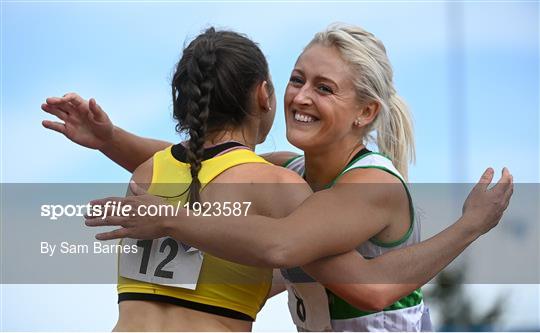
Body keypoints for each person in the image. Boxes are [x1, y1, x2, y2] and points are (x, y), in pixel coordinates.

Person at [44, 24, 513, 331]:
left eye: (323, 88)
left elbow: (363, 286)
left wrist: (470, 225)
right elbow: (208, 161)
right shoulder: (283, 173)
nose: (302, 96)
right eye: (297, 79)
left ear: (365, 112)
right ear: (267, 93)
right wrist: (109, 138)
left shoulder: (371, 184)